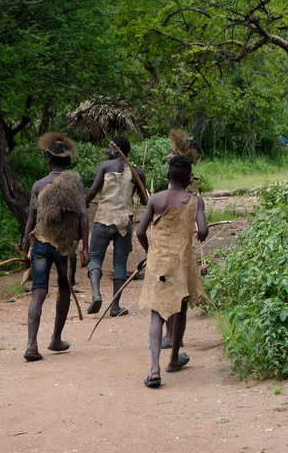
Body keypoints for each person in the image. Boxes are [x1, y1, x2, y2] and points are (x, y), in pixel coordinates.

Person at [137, 155, 208, 387]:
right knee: (181, 309)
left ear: (168, 176)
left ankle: (154, 368)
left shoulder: (155, 199)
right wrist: (198, 234)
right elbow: (204, 231)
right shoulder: (195, 200)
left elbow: (140, 232)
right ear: (189, 179)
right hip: (181, 262)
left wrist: (150, 253)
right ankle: (175, 358)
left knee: (156, 313)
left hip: (158, 261)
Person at [22, 132, 89, 362]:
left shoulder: (38, 185)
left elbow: (31, 220)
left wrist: (24, 246)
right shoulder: (76, 184)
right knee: (64, 288)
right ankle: (56, 339)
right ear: (68, 162)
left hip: (40, 244)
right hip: (64, 248)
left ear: (48, 160)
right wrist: (85, 247)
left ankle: (31, 344)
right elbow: (83, 217)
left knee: (38, 293)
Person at [84, 136, 148, 316]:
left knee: (95, 258)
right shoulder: (137, 172)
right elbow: (145, 201)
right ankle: (115, 306)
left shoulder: (105, 166)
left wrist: (84, 204)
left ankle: (96, 294)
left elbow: (92, 191)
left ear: (116, 149)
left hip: (103, 219)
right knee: (120, 262)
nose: (106, 151)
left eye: (109, 148)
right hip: (124, 222)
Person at [162, 129, 202, 347]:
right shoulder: (176, 180)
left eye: (173, 152)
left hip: (176, 247)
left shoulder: (188, 188)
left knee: (175, 293)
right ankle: (172, 337)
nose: (169, 156)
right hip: (174, 246)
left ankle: (171, 337)